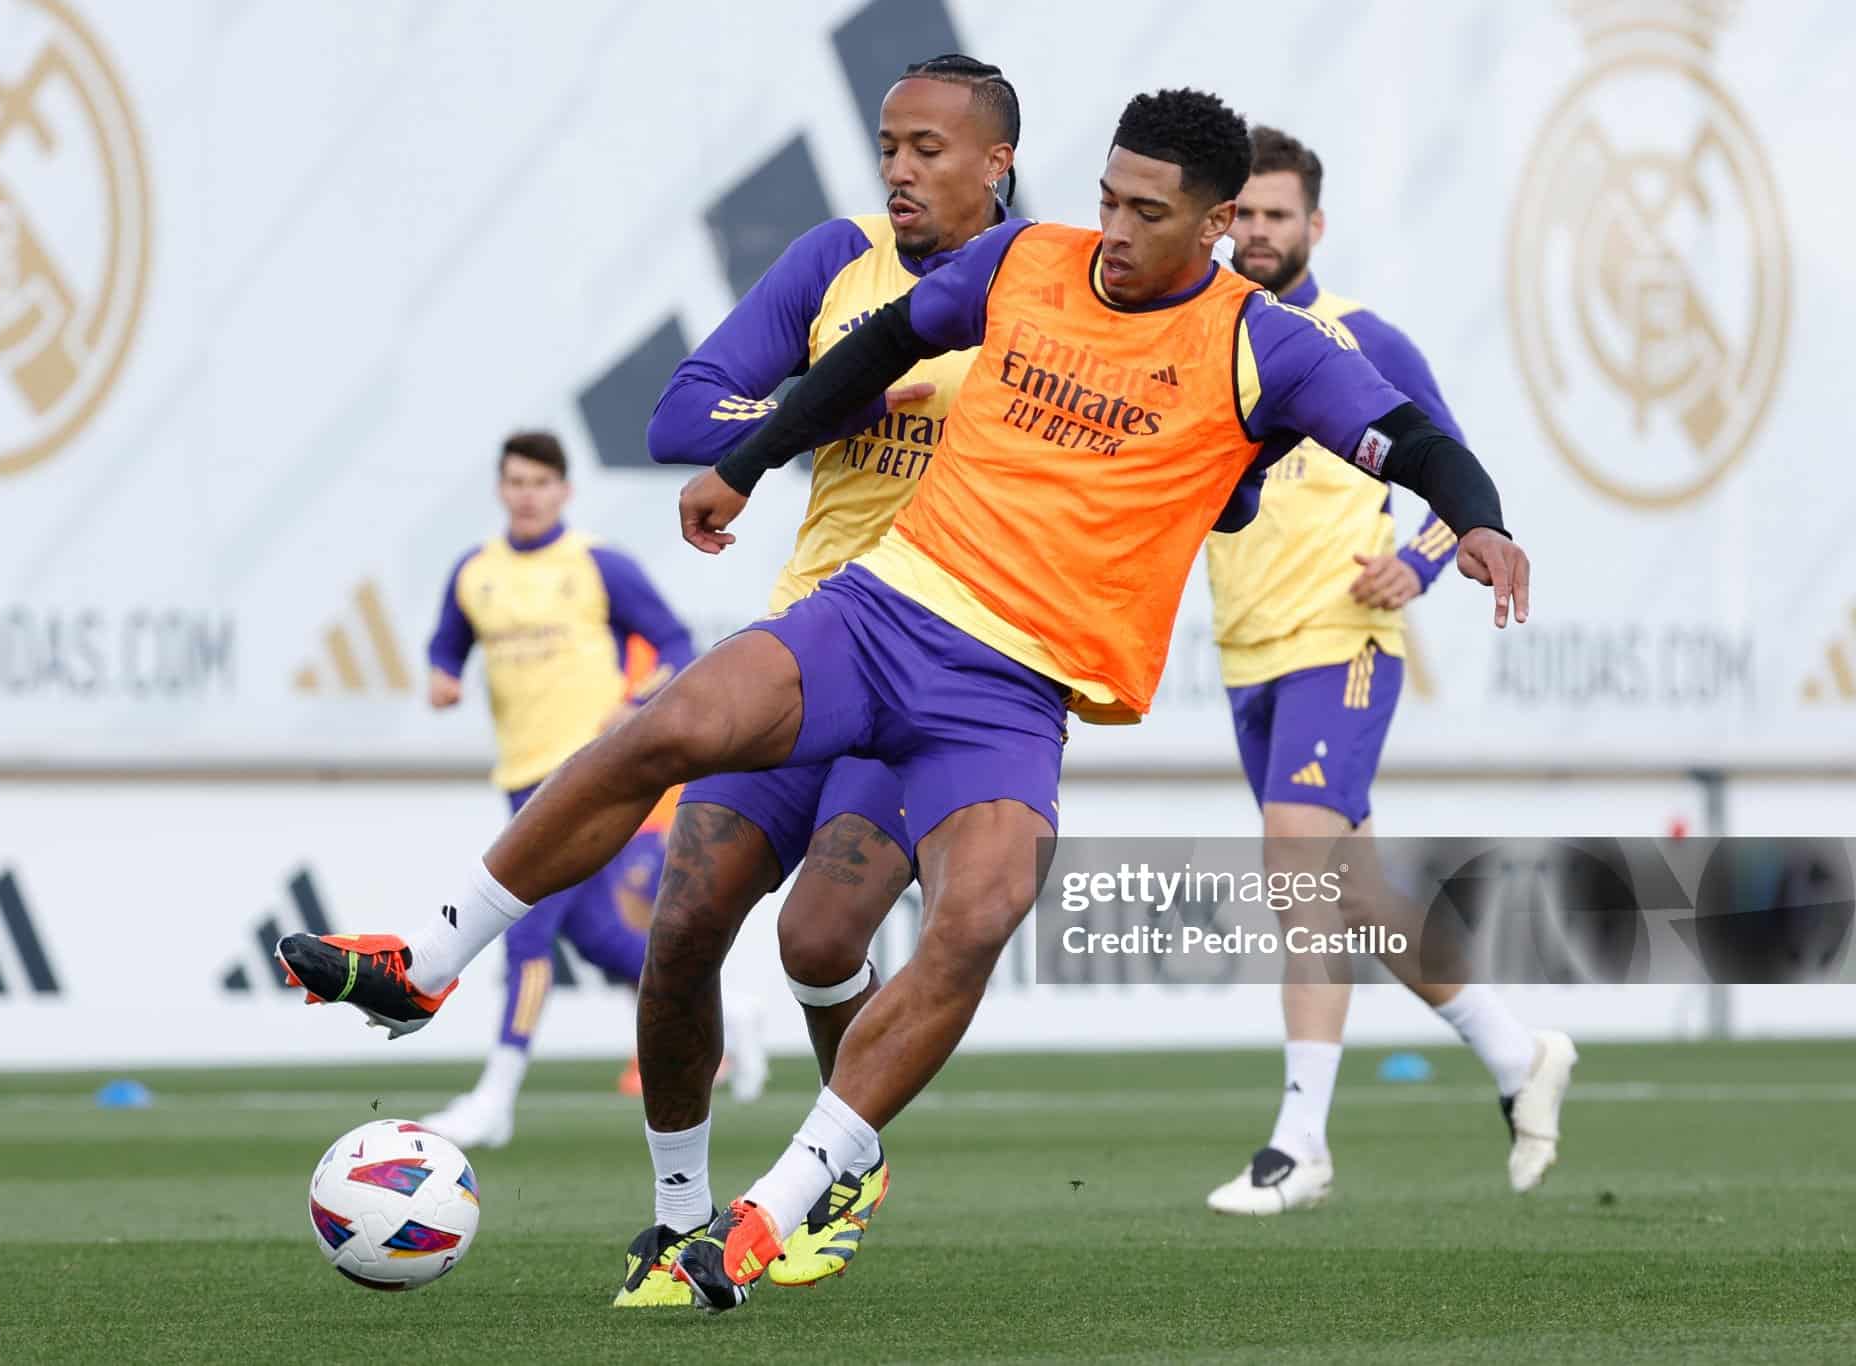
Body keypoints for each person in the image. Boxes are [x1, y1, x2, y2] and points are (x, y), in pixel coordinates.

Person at [276, 87, 1531, 1315]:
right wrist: (744, 460)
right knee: (665, 730)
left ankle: (774, 1207)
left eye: (1146, 211)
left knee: (974, 913)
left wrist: (1475, 524)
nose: (1113, 227)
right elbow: (881, 344)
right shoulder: (1028, 259)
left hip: (1011, 690)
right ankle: (431, 959)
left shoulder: (1265, 343)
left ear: (1210, 228)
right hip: (878, 614)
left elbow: (1413, 439)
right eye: (1104, 195)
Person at [611, 53, 1024, 1307]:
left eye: (924, 149)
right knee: (681, 925)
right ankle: (680, 1214)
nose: (896, 169)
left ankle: (839, 1164)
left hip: (945, 665)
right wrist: (823, 408)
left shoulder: (1046, 287)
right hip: (808, 645)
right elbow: (680, 417)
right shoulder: (831, 262)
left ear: (996, 163)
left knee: (820, 933)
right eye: (887, 145)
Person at [1198, 127, 1573, 1215]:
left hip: (1342, 645)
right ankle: (1514, 1053)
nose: (1259, 231)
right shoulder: (1204, 346)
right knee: (1354, 895)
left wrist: (1415, 560)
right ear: (1220, 225)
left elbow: (1450, 465)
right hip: (1246, 653)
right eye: (1245, 214)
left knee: (1295, 869)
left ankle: (1297, 1142)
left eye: (1278, 214)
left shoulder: (1357, 338)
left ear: (1312, 227)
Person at [393, 432, 734, 1150]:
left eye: (541, 481)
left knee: (529, 933)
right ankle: (736, 1010)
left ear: (564, 491)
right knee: (602, 939)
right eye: (516, 480)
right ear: (500, 487)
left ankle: (496, 1095)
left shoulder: (596, 563)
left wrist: (636, 705)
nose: (528, 493)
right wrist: (441, 675)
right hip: (521, 780)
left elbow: (676, 645)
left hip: (591, 779)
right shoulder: (475, 572)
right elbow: (447, 642)